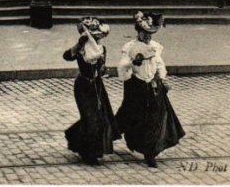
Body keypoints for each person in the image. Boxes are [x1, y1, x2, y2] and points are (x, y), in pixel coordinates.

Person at [116, 11, 185, 168]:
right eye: (144, 33)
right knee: (134, 116)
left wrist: (162, 77)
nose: (147, 37)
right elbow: (122, 67)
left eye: (149, 34)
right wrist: (133, 62)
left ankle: (150, 152)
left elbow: (159, 63)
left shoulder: (154, 47)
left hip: (153, 86)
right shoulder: (130, 47)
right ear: (138, 32)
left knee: (155, 119)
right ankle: (116, 134)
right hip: (137, 86)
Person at [63, 17, 119, 166]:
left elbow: (102, 68)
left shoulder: (102, 49)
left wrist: (103, 69)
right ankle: (89, 154)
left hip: (98, 86)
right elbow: (67, 56)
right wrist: (79, 43)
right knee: (90, 118)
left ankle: (81, 142)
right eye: (94, 36)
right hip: (83, 86)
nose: (96, 38)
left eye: (98, 36)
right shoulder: (81, 49)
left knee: (99, 118)